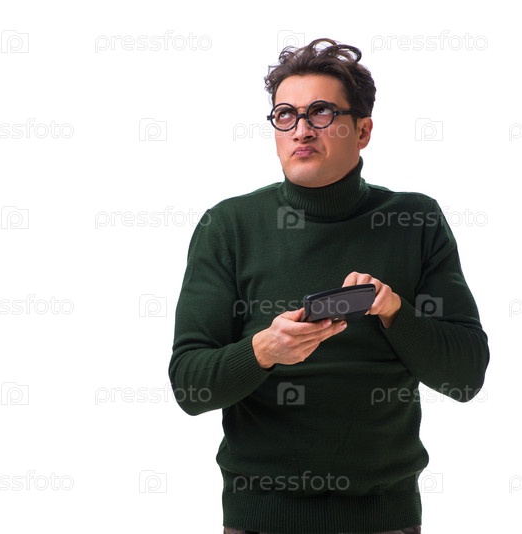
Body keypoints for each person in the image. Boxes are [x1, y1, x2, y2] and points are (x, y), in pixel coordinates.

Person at [169, 37, 489, 534]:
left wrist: (394, 312)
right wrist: (264, 350)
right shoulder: (228, 226)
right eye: (285, 115)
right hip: (260, 518)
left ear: (363, 131)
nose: (301, 129)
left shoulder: (415, 220)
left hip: (385, 519)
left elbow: (466, 375)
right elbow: (189, 386)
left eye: (320, 112)